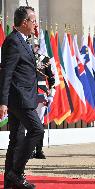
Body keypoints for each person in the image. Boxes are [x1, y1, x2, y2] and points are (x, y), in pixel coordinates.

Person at [0, 6, 44, 189]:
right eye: (33, 20)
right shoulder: (13, 42)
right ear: (24, 22)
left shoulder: (23, 40)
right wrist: (2, 101)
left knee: (16, 138)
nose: (35, 24)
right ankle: (16, 173)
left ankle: (10, 180)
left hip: (25, 96)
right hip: (19, 98)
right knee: (37, 130)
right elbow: (6, 73)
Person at [31, 37, 55, 159]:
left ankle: (39, 149)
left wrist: (51, 94)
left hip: (41, 93)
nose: (33, 48)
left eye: (35, 45)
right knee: (28, 123)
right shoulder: (24, 58)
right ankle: (29, 149)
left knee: (39, 122)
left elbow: (51, 78)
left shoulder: (45, 60)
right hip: (27, 93)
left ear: (38, 47)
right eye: (31, 45)